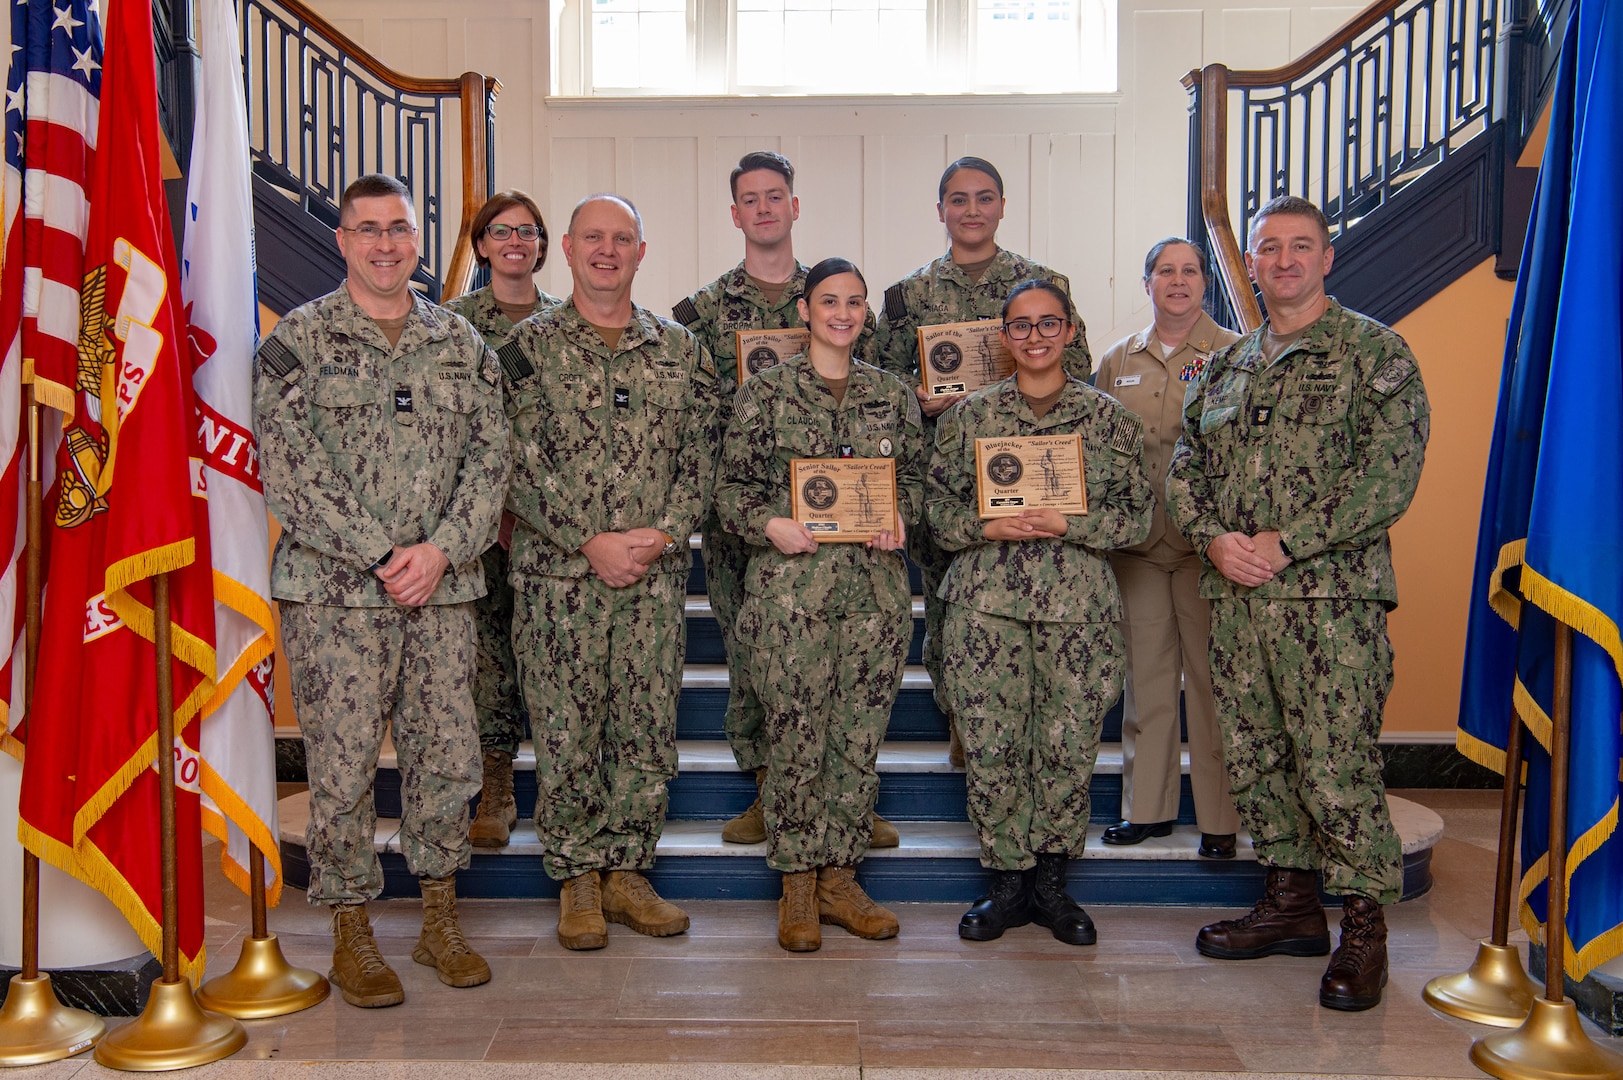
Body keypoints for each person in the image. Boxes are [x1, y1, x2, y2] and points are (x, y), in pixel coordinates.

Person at [1166, 195, 1429, 1011]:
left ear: (1326, 258)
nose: (1282, 260)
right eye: (1267, 248)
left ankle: (1361, 929)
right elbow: (1184, 470)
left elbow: (1388, 478)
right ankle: (1288, 905)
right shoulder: (1223, 368)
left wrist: (1287, 541)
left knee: (1336, 765)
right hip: (1238, 601)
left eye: (1299, 246)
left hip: (1327, 605)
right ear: (1248, 263)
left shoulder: (1374, 355)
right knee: (1258, 757)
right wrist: (1211, 537)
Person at [254, 173, 509, 1007]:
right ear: (342, 242)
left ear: (415, 237)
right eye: (367, 229)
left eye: (398, 227)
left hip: (440, 591)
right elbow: (289, 469)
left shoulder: (460, 344)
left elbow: (491, 459)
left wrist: (437, 552)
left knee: (446, 757)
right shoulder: (298, 340)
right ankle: (352, 932)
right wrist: (380, 554)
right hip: (336, 598)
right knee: (342, 766)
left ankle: (438, 920)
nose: (385, 244)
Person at [501, 194, 720, 950]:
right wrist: (587, 539)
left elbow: (702, 456)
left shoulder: (679, 350)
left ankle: (628, 870)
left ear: (641, 250)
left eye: (621, 238)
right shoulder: (524, 349)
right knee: (566, 732)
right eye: (593, 237)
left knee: (643, 728)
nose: (606, 250)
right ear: (563, 247)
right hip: (559, 582)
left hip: (651, 580)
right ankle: (577, 880)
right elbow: (510, 463)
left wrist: (661, 533)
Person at [671, 152, 893, 849]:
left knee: (844, 675)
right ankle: (773, 789)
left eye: (776, 196)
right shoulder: (700, 311)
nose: (764, 208)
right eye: (750, 199)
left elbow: (870, 387)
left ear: (794, 205)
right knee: (754, 657)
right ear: (735, 214)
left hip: (841, 529)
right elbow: (695, 414)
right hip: (749, 521)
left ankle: (841, 798)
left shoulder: (835, 290)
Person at [928, 279, 1153, 945]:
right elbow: (934, 513)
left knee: (1067, 746)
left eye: (1046, 324)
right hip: (985, 610)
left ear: (1067, 331)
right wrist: (983, 527)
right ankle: (1004, 885)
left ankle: (1051, 886)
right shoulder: (969, 416)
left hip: (1075, 611)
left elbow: (1137, 516)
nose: (1033, 337)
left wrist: (1069, 520)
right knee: (994, 748)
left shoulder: (1106, 418)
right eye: (1020, 326)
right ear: (1004, 337)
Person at [715, 258, 925, 952]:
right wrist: (768, 523)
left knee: (855, 744)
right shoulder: (765, 394)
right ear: (803, 311)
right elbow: (731, 493)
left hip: (872, 599)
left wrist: (901, 516)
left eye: (854, 302)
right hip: (791, 601)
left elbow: (920, 485)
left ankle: (840, 878)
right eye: (828, 301)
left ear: (866, 313)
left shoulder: (890, 397)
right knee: (796, 742)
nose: (842, 312)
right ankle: (797, 884)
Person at [874, 157, 1091, 768]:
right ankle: (964, 720)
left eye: (984, 198)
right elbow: (882, 384)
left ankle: (1034, 727)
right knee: (948, 606)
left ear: (1002, 205)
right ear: (940, 209)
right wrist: (917, 398)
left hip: (1032, 464)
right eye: (958, 200)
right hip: (950, 475)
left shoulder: (1043, 282)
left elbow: (1080, 369)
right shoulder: (908, 295)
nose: (972, 210)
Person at [1094, 239, 1242, 858]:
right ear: (1146, 282)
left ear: (1204, 283)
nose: (1177, 281)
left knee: (1211, 684)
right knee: (1147, 679)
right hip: (1137, 543)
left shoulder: (1237, 355)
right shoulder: (1116, 359)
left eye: (1189, 271)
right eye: (1164, 271)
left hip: (1207, 546)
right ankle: (1148, 809)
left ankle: (1218, 819)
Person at [442, 190, 562, 850]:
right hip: (477, 527)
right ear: (481, 245)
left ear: (542, 245)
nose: (515, 241)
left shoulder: (564, 323)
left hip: (552, 524)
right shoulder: (451, 324)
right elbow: (447, 426)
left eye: (527, 230)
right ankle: (495, 785)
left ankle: (562, 788)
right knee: (488, 659)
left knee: (549, 658)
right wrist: (488, 513)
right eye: (500, 231)